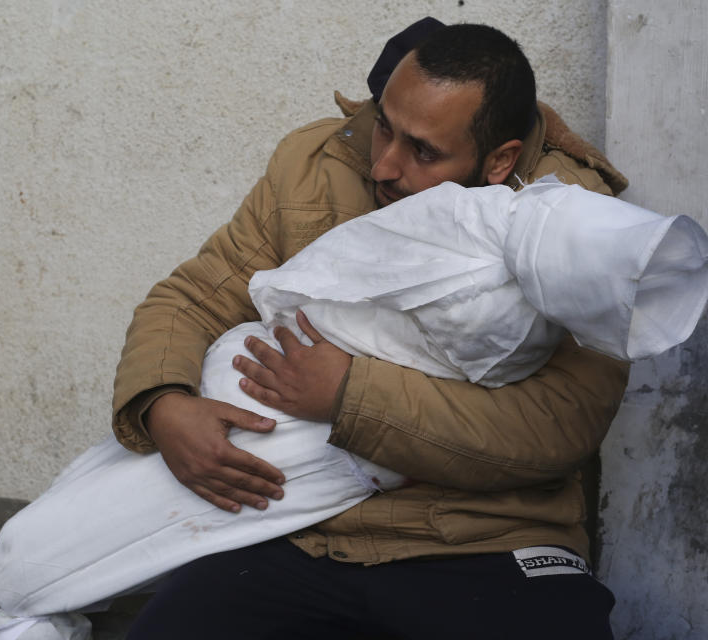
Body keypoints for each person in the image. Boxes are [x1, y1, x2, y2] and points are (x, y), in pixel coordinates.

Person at [114, 20, 630, 639]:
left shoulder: (578, 223)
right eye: (385, 124)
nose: (384, 163)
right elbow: (193, 297)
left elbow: (558, 424)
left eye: (424, 151)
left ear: (500, 161)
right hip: (297, 529)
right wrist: (163, 405)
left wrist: (347, 394)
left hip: (484, 536)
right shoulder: (317, 163)